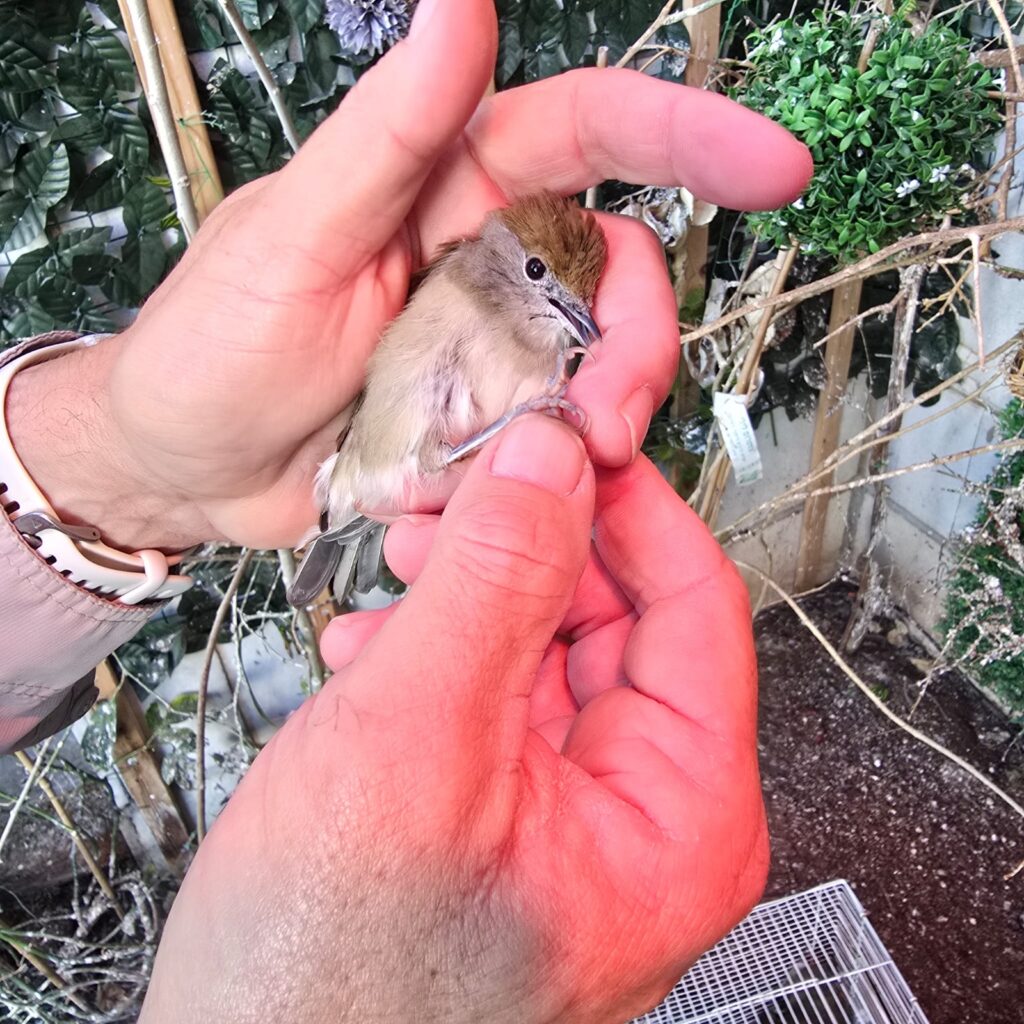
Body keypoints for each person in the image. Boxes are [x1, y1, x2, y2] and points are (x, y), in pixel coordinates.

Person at [0, 0, 811, 1018]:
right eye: (537, 278)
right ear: (492, 255)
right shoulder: (452, 283)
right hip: (369, 462)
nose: (563, 311)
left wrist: (127, 472)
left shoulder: (558, 334)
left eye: (572, 299)